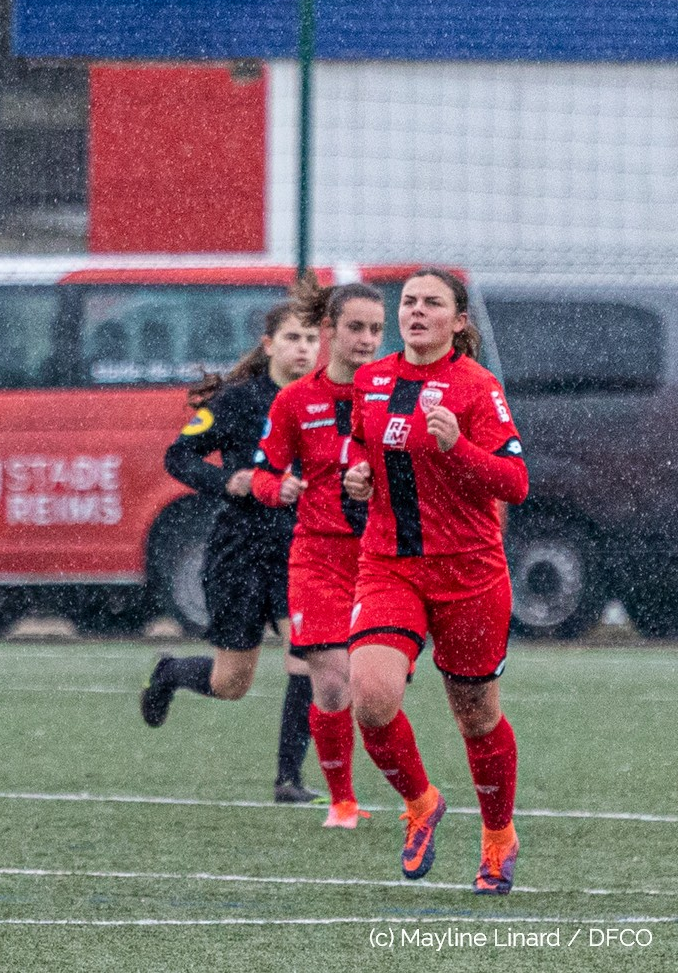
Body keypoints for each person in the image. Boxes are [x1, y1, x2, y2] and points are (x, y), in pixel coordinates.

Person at [341, 268, 527, 895]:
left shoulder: (477, 388)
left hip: (470, 573)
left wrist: (458, 448)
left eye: (433, 303)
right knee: (369, 695)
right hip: (390, 563)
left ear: (459, 320)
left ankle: (499, 837)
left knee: (475, 715)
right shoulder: (373, 381)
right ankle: (421, 802)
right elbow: (367, 453)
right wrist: (360, 479)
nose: (416, 312)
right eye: (410, 302)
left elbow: (514, 483)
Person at [140, 300, 323, 804]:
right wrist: (229, 481)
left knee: (305, 658)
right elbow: (178, 456)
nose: (303, 348)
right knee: (231, 683)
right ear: (269, 346)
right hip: (239, 551)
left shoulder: (327, 401)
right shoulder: (239, 401)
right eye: (292, 338)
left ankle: (289, 779)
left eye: (311, 339)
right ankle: (171, 672)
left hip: (299, 551)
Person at [249, 282, 387, 829]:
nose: (368, 339)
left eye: (377, 329)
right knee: (330, 682)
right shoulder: (294, 400)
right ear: (329, 331)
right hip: (319, 556)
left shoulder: (396, 392)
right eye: (356, 327)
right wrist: (275, 489)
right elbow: (264, 471)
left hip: (384, 558)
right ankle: (343, 800)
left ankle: (413, 792)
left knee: (376, 693)